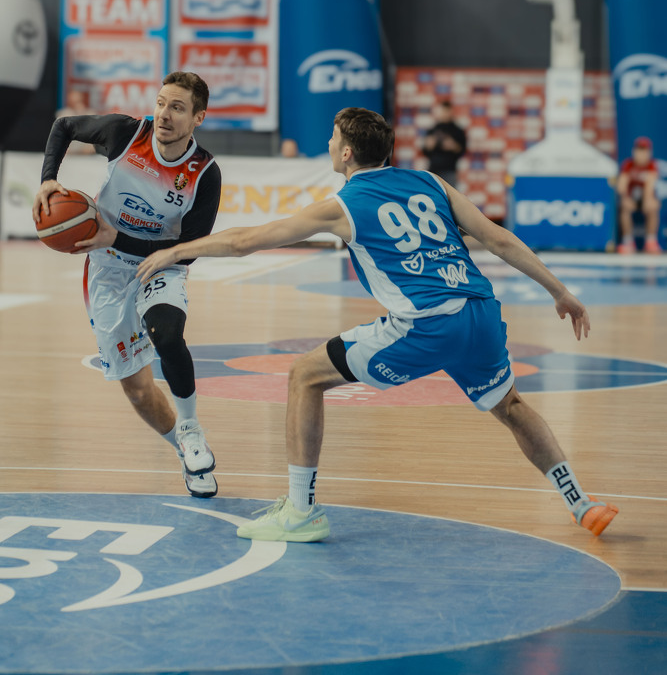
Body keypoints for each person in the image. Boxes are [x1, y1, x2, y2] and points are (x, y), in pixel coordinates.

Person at [135, 107, 618, 542]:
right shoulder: (431, 182)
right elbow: (499, 239)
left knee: (305, 376)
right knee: (510, 406)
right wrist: (559, 291)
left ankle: (301, 512)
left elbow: (247, 241)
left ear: (346, 153)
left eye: (332, 138)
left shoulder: (344, 204)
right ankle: (581, 503)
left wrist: (177, 251)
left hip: (427, 323)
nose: (328, 144)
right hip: (480, 313)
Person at [32, 72, 222, 498]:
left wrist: (116, 237)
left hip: (162, 265)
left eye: (177, 108)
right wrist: (48, 178)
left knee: (167, 335)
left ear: (198, 118)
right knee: (137, 391)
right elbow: (64, 126)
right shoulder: (125, 133)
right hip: (107, 271)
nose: (164, 114)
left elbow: (189, 251)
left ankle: (191, 427)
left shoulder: (204, 173)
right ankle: (186, 454)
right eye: (161, 103)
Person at [617, 135, 662, 254]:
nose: (641, 154)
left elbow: (649, 186)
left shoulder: (652, 165)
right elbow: (621, 185)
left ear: (649, 153)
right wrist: (626, 198)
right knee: (624, 206)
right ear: (634, 151)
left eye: (644, 151)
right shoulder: (628, 164)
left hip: (646, 198)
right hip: (631, 197)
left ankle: (651, 241)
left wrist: (648, 200)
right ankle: (628, 241)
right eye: (639, 150)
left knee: (653, 206)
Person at [422, 99, 467, 187]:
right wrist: (429, 146)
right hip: (433, 170)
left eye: (446, 111)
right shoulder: (433, 129)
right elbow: (425, 151)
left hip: (449, 170)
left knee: (449, 195)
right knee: (432, 194)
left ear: (451, 112)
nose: (444, 114)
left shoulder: (457, 130)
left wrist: (454, 146)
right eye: (442, 111)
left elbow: (462, 150)